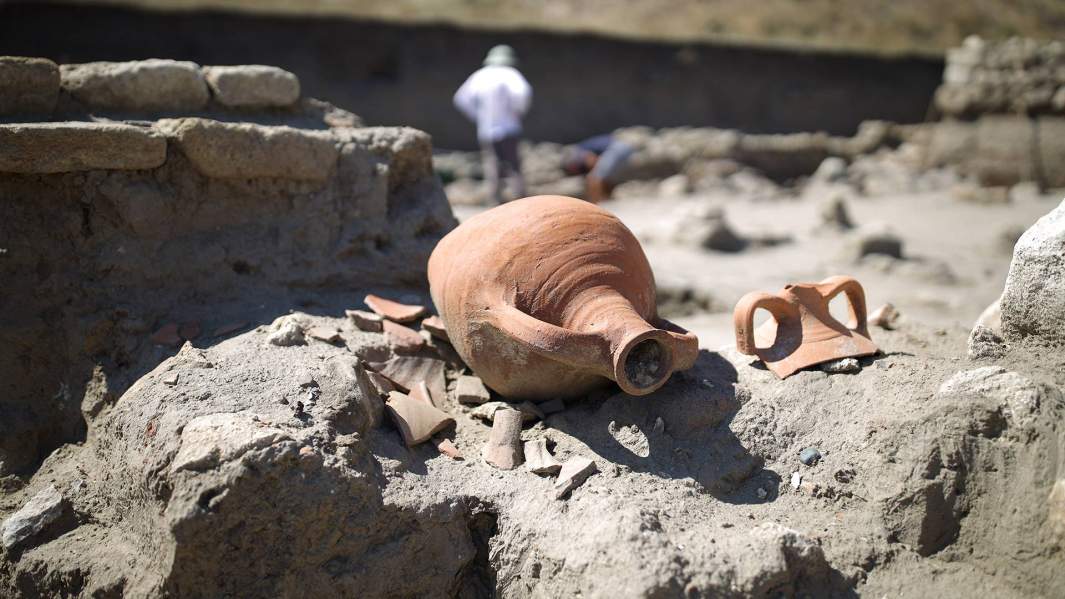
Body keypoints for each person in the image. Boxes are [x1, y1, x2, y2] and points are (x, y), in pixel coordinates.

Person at [453, 45, 532, 204]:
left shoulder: (480, 76)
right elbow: (523, 94)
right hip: (509, 127)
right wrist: (518, 111)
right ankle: (521, 201)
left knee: (492, 165)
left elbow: (461, 98)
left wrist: (477, 116)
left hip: (486, 130)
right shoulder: (511, 74)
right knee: (513, 167)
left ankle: (494, 201)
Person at [561, 134, 635, 203]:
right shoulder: (585, 146)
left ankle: (594, 202)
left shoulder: (578, 151)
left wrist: (593, 171)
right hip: (625, 149)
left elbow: (591, 159)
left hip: (615, 148)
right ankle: (606, 199)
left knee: (593, 178)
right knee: (607, 178)